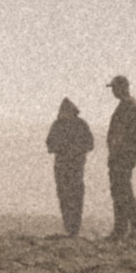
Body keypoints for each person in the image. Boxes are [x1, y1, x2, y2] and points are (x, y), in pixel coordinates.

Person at [45, 99, 94, 236]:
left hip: (75, 168)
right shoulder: (59, 125)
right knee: (65, 197)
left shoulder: (80, 125)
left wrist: (72, 150)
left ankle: (74, 228)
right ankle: (69, 228)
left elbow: (89, 144)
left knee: (74, 197)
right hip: (63, 168)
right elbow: (50, 145)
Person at [105, 74, 136, 241]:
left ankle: (132, 226)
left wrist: (116, 151)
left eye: (114, 87)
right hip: (120, 155)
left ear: (123, 87)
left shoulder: (129, 106)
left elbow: (121, 134)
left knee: (123, 190)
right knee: (119, 190)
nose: (113, 91)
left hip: (123, 155)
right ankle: (121, 228)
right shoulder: (126, 105)